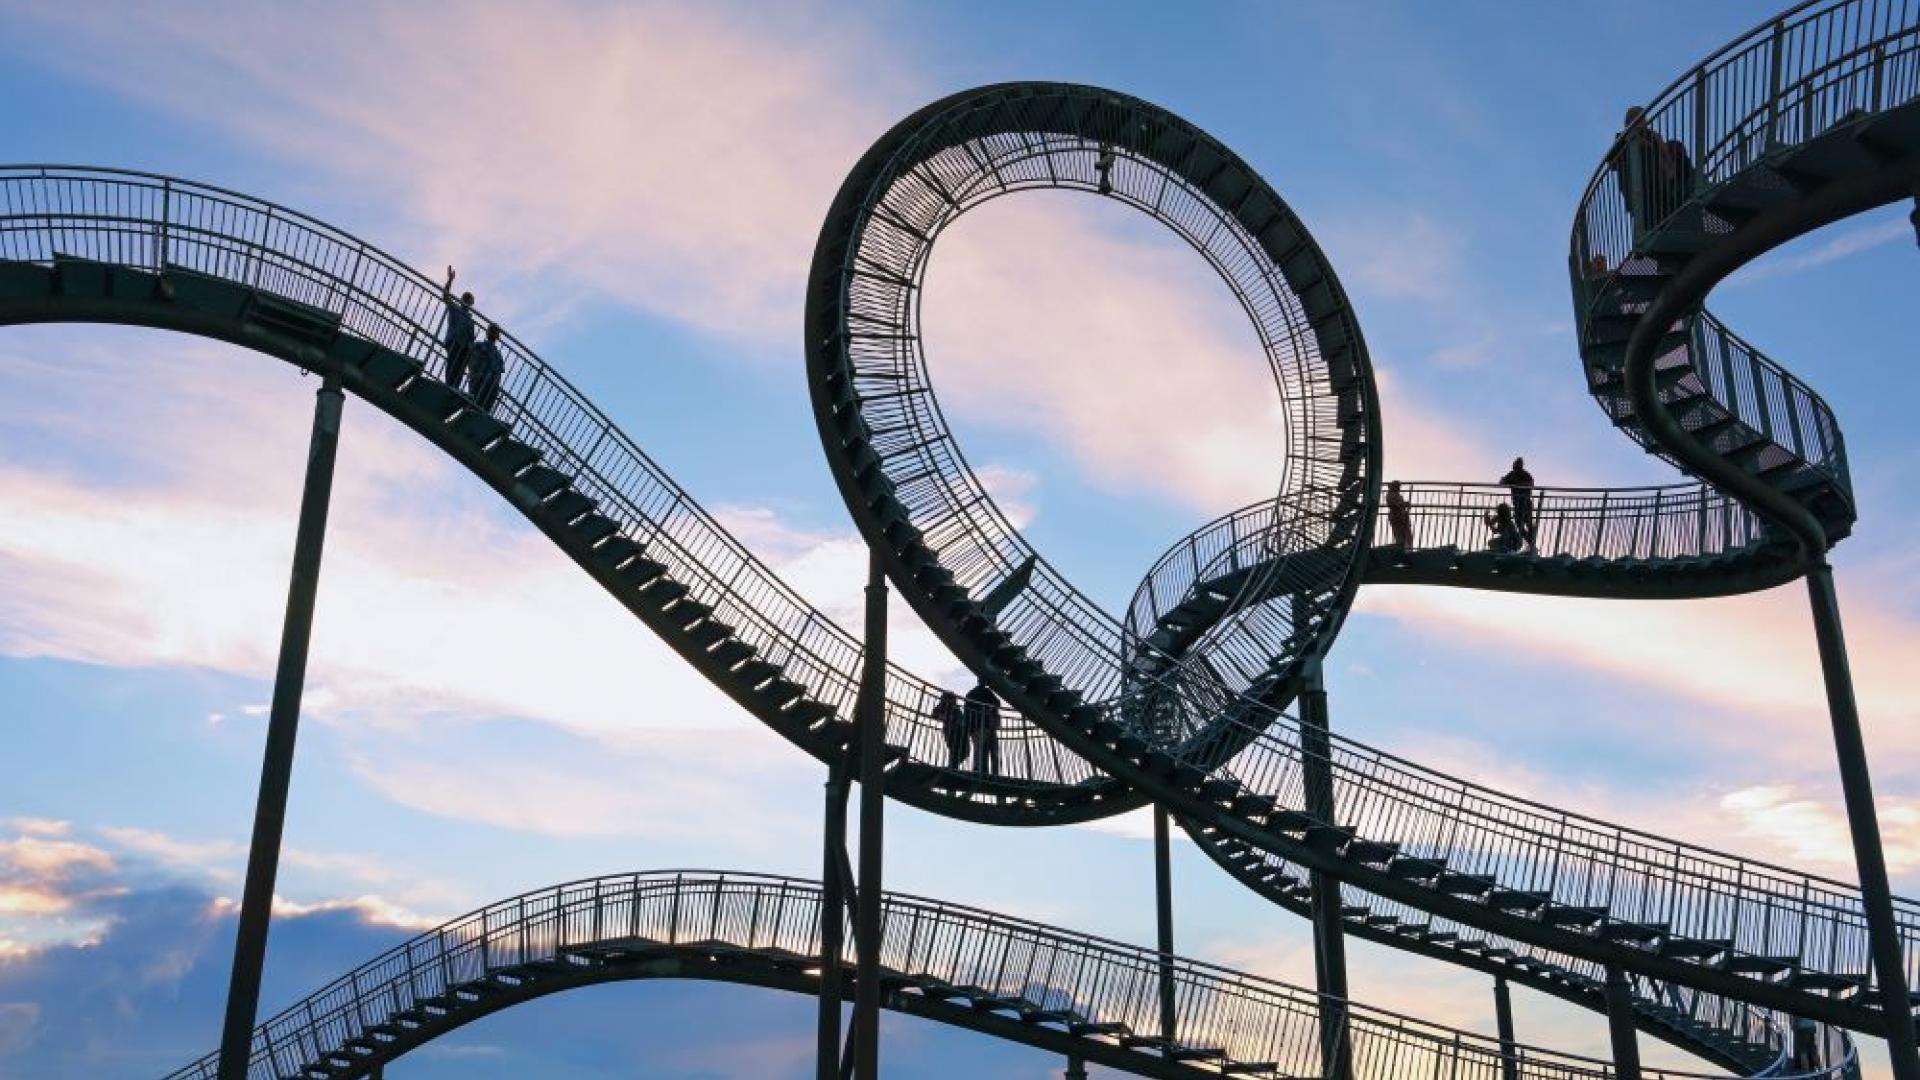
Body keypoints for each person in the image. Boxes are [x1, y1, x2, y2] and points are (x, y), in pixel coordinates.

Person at [441, 265, 477, 390]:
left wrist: (471, 351)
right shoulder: (455, 308)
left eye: (469, 300)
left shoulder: (470, 320)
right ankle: (449, 388)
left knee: (460, 370)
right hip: (454, 342)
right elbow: (445, 296)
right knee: (452, 366)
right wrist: (450, 280)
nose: (468, 302)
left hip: (464, 347)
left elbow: (471, 338)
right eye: (467, 299)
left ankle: (453, 389)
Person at [965, 682, 1002, 779]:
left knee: (980, 749)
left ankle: (980, 770)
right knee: (991, 750)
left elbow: (967, 711)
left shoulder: (971, 693)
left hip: (977, 726)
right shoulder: (985, 691)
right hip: (985, 725)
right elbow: (997, 703)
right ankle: (993, 773)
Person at [1499, 457, 1536, 552]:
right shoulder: (1512, 474)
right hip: (1517, 504)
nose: (1516, 467)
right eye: (1515, 465)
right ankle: (1530, 542)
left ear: (1521, 466)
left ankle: (1531, 544)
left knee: (1528, 524)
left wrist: (1517, 484)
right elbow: (1501, 483)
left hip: (1525, 503)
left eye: (1518, 465)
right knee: (1519, 525)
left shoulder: (1525, 474)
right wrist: (1504, 480)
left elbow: (1531, 484)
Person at [468, 323, 505, 413]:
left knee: (476, 409)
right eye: (493, 331)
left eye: (494, 332)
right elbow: (470, 360)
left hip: (487, 385)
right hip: (482, 383)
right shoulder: (479, 346)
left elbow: (499, 374)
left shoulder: (480, 347)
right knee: (475, 409)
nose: (493, 333)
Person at [933, 690, 968, 770]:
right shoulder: (943, 706)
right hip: (951, 730)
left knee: (964, 751)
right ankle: (952, 767)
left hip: (961, 730)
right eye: (953, 698)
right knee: (955, 749)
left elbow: (961, 718)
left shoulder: (956, 707)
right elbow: (934, 714)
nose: (955, 700)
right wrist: (944, 718)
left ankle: (952, 766)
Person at [1385, 480, 1413, 549]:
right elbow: (1393, 504)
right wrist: (1403, 504)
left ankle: (1407, 548)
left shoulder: (1397, 495)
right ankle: (1403, 549)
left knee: (1407, 536)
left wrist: (1406, 504)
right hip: (1396, 517)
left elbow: (1399, 504)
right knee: (1400, 535)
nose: (1399, 488)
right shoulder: (1390, 495)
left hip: (1402, 516)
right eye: (1397, 486)